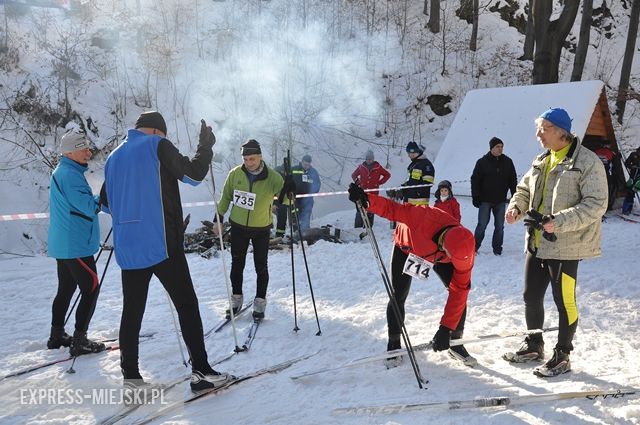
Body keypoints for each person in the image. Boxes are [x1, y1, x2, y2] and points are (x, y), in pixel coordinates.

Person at [100, 112, 231, 391]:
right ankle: (201, 371)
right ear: (159, 131)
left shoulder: (113, 158)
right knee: (186, 305)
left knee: (131, 313)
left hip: (129, 247)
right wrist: (205, 146)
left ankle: (131, 378)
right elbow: (194, 175)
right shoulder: (156, 145)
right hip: (161, 244)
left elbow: (105, 204)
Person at [503, 108, 608, 377]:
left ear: (561, 132)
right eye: (539, 128)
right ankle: (534, 344)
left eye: (544, 128)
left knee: (564, 302)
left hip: (566, 246)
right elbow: (524, 189)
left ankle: (563, 355)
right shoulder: (542, 159)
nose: (538, 134)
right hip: (537, 243)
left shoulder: (587, 161)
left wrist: (557, 221)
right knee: (531, 297)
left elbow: (596, 204)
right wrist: (517, 207)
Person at [347, 183, 477, 367]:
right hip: (409, 248)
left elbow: (460, 291)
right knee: (399, 292)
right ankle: (393, 343)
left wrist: (445, 329)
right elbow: (392, 209)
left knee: (461, 294)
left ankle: (455, 342)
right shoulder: (422, 217)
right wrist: (367, 200)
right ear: (447, 248)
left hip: (439, 254)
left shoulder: (464, 249)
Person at [214, 139, 290, 320]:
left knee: (261, 266)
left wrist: (289, 190)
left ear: (260, 157)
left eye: (252, 159)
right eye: (246, 159)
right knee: (237, 263)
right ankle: (236, 299)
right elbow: (225, 198)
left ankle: (260, 302)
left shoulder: (273, 177)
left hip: (261, 229)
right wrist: (218, 219)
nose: (248, 163)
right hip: (238, 226)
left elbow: (286, 200)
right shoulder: (235, 174)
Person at [47, 130, 106, 357]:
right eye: (84, 148)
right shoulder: (70, 175)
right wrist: (103, 196)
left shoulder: (64, 171)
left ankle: (57, 335)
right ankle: (79, 341)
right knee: (91, 288)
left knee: (66, 289)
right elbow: (88, 207)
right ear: (70, 152)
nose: (88, 152)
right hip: (75, 244)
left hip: (65, 243)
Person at [470, 137, 517, 255]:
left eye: (502, 146)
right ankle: (474, 248)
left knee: (500, 226)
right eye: (497, 146)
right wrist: (475, 196)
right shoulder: (482, 162)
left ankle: (497, 249)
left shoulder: (508, 161)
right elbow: (475, 180)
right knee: (482, 225)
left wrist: (514, 195)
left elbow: (513, 179)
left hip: (500, 200)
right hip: (484, 200)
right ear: (491, 148)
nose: (500, 149)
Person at [351, 150, 391, 230]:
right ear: (365, 159)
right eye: (367, 159)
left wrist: (379, 182)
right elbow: (353, 175)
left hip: (373, 193)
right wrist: (357, 182)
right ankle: (358, 228)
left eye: (370, 159)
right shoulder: (361, 167)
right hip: (362, 192)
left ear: (373, 159)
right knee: (360, 209)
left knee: (371, 209)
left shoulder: (378, 167)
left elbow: (387, 175)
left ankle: (368, 228)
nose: (369, 160)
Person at [291, 154, 320, 230]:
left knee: (306, 214)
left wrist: (313, 192)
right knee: (295, 215)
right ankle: (296, 231)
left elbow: (317, 184)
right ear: (302, 162)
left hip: (308, 199)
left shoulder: (313, 172)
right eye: (305, 164)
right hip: (295, 198)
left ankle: (305, 231)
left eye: (308, 165)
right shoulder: (294, 169)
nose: (306, 166)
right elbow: (288, 182)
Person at [622, 148, 640, 215]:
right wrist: (632, 166)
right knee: (630, 192)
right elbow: (627, 163)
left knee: (635, 190)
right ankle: (626, 209)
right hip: (633, 177)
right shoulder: (633, 154)